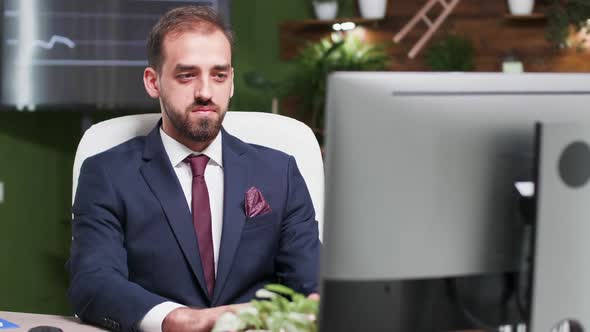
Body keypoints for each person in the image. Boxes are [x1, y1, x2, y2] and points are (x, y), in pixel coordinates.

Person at [67, 5, 320, 332]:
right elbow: (93, 281)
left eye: (219, 75)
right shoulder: (106, 174)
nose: (205, 92)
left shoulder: (279, 171)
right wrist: (181, 320)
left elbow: (311, 280)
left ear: (230, 82)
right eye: (187, 75)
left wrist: (317, 302)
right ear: (153, 82)